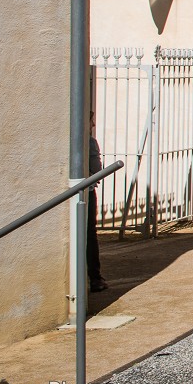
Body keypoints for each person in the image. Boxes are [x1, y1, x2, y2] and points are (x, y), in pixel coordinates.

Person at [86, 116, 109, 293]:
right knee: (89, 233)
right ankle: (95, 277)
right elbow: (98, 171)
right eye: (91, 119)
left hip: (83, 191)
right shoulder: (90, 142)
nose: (94, 124)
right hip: (87, 193)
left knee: (87, 234)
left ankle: (93, 277)